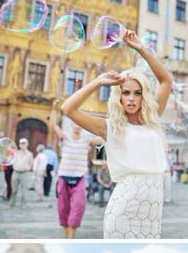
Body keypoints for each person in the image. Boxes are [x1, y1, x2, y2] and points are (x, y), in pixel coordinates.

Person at [62, 30, 172, 238]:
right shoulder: (111, 127)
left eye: (137, 93)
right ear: (119, 97)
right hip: (124, 209)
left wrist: (141, 49)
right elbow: (68, 109)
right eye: (126, 92)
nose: (131, 98)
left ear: (143, 97)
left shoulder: (153, 119)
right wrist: (98, 82)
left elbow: (166, 80)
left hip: (153, 212)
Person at [49, 108, 97, 237]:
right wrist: (53, 109)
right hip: (64, 177)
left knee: (78, 207)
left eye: (80, 123)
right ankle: (67, 237)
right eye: (75, 123)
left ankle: (72, 237)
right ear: (71, 124)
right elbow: (53, 125)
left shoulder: (87, 139)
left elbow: (103, 137)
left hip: (79, 178)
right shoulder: (65, 136)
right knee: (63, 209)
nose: (77, 125)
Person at [9, 139, 33, 207]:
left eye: (24, 143)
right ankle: (12, 204)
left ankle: (23, 204)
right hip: (16, 173)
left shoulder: (30, 154)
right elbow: (11, 160)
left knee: (24, 191)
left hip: (25, 173)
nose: (23, 145)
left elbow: (31, 164)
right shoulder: (15, 153)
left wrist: (27, 168)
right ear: (19, 145)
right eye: (22, 144)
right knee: (14, 190)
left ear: (27, 144)